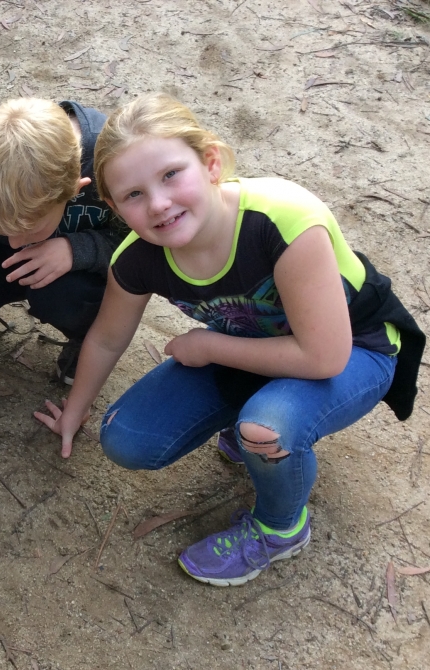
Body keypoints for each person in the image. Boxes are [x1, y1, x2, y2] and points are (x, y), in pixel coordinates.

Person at [35, 92, 425, 587]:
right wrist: (75, 409)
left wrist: (210, 347)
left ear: (212, 163)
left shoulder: (283, 222)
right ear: (114, 208)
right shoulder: (136, 257)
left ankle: (280, 528)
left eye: (171, 175)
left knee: (268, 428)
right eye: (132, 195)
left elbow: (326, 355)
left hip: (355, 349)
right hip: (255, 346)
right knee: (126, 438)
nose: (158, 204)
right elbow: (109, 338)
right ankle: (256, 418)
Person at [0, 98, 124, 383]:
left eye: (30, 229)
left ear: (75, 190)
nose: (16, 242)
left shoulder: (112, 162)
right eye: (3, 228)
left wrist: (75, 249)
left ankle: (87, 340)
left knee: (76, 298)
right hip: (0, 258)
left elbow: (136, 246)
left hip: (75, 273)